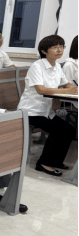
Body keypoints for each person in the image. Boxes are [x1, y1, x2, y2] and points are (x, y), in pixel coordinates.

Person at [17, 35, 78, 177]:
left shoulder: (57, 67)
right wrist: (66, 91)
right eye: (55, 47)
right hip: (31, 112)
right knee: (58, 130)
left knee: (69, 129)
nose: (60, 50)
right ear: (44, 51)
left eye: (61, 47)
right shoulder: (37, 66)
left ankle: (56, 161)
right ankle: (43, 163)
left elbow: (67, 84)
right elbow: (41, 90)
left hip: (46, 112)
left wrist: (72, 89)